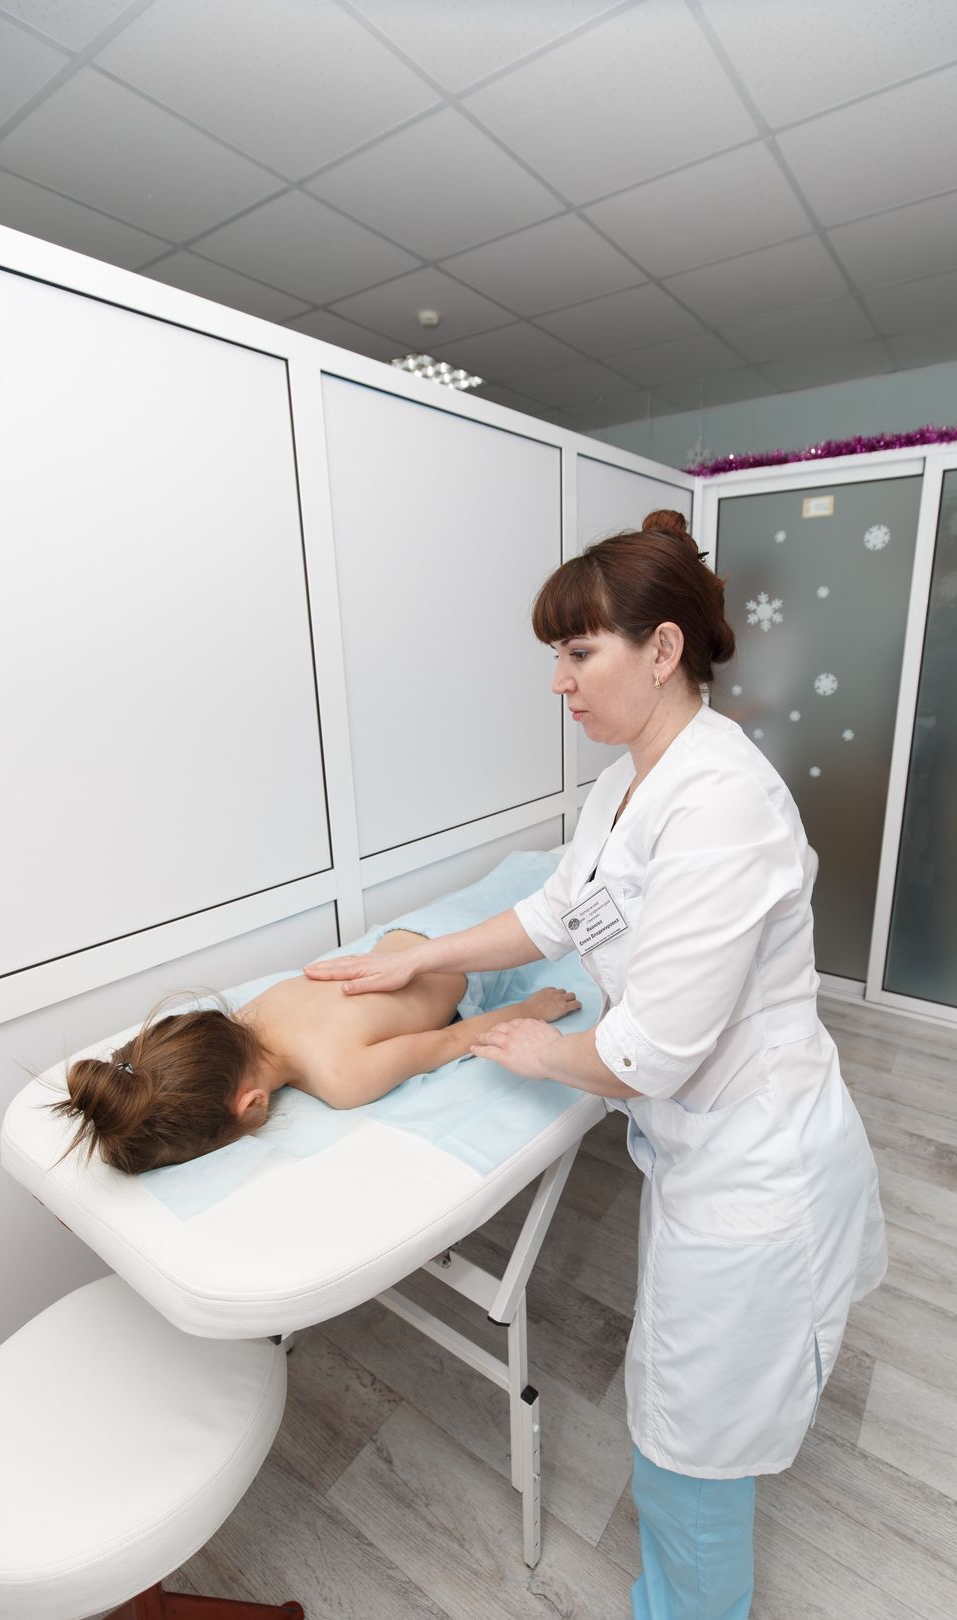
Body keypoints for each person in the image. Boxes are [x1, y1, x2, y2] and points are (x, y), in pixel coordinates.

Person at [304, 509, 887, 1620]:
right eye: (556, 656)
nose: (558, 682)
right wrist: (421, 957)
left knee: (693, 1443)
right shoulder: (622, 787)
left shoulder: (725, 805)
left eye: (579, 653)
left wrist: (538, 1046)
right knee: (684, 1415)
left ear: (662, 650)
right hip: (700, 1151)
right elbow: (552, 913)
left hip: (756, 1166)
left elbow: (649, 1049)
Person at [52, 927, 579, 1174]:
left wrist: (530, 1009)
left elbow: (450, 1040)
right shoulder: (252, 1013)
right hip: (397, 944)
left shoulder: (341, 1077)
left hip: (463, 975)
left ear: (252, 1105)